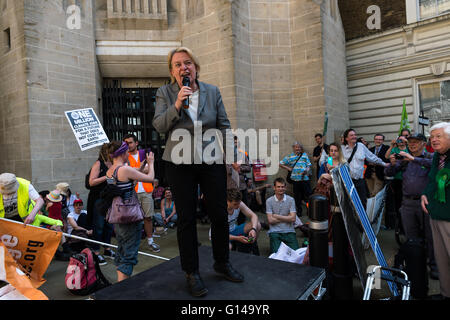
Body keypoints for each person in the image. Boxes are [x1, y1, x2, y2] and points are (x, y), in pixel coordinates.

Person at [152, 47, 243, 297]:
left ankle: (222, 262)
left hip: (211, 159)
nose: (184, 67)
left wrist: (232, 157)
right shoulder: (165, 93)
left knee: (219, 213)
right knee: (187, 219)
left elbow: (223, 124)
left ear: (196, 67)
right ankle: (191, 272)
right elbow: (159, 125)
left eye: (188, 63)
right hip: (179, 162)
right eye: (178, 64)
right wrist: (178, 103)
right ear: (172, 71)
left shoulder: (212, 91)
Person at [385, 133, 438, 279]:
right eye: (410, 142)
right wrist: (393, 163)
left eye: (416, 142)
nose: (412, 144)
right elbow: (389, 172)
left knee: (430, 237)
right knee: (411, 237)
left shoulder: (430, 157)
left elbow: (434, 166)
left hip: (426, 204)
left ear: (423, 143)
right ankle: (415, 267)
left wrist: (413, 159)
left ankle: (434, 267)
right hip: (407, 203)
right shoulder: (405, 160)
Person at [105, 141, 155, 282]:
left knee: (122, 249)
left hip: (118, 215)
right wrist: (151, 163)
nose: (128, 154)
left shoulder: (111, 170)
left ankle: (120, 281)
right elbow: (150, 178)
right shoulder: (124, 169)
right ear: (121, 153)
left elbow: (126, 183)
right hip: (130, 217)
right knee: (129, 254)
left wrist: (140, 167)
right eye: (127, 152)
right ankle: (122, 287)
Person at [421, 122, 450, 300]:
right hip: (435, 214)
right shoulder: (436, 157)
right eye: (432, 137)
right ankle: (447, 294)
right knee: (441, 259)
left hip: (448, 217)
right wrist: (425, 195)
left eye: (438, 136)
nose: (434, 140)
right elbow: (432, 180)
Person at [123, 133, 160, 253]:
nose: (128, 145)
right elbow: (127, 172)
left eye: (130, 142)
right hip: (132, 192)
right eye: (126, 143)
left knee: (148, 217)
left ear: (136, 143)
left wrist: (136, 170)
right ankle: (133, 243)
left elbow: (150, 169)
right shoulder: (124, 156)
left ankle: (150, 241)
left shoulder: (143, 154)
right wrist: (142, 169)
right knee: (133, 219)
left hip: (146, 190)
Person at [341, 129, 388, 209]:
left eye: (355, 135)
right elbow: (330, 157)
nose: (354, 136)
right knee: (349, 203)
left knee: (362, 202)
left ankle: (363, 221)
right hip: (347, 181)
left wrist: (384, 164)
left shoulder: (361, 146)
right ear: (346, 138)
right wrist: (330, 165)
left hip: (360, 181)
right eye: (351, 135)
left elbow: (372, 157)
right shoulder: (341, 149)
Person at [88, 143, 115, 265]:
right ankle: (96, 252)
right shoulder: (98, 164)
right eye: (112, 151)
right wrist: (106, 176)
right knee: (98, 227)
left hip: (110, 198)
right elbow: (91, 182)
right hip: (98, 199)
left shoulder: (113, 163)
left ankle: (107, 249)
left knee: (109, 226)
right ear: (106, 152)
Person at [266, 177, 299, 253]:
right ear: (274, 188)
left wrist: (276, 216)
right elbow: (270, 220)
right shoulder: (269, 201)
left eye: (282, 187)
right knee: (276, 254)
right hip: (275, 231)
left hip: (289, 230)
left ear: (285, 188)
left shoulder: (291, 200)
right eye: (278, 187)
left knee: (295, 253)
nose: (281, 189)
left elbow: (293, 219)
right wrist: (288, 217)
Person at [279, 141, 312, 216]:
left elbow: (309, 165)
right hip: (295, 180)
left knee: (308, 196)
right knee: (297, 196)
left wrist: (306, 170)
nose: (298, 148)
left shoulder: (304, 155)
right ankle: (299, 211)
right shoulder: (290, 156)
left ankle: (309, 210)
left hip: (305, 179)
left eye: (299, 147)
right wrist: (288, 168)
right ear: (293, 148)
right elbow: (280, 164)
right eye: (296, 147)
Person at [223, 188, 261, 253]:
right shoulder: (221, 210)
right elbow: (221, 234)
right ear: (227, 201)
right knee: (228, 247)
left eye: (239, 203)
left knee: (257, 225)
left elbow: (253, 215)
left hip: (233, 229)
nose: (238, 206)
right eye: (235, 204)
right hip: (220, 234)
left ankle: (251, 247)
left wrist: (253, 229)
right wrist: (237, 238)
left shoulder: (238, 203)